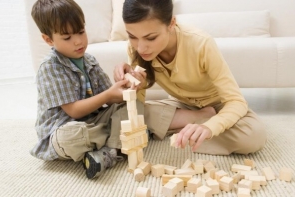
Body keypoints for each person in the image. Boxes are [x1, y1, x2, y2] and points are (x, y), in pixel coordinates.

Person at [114, 0, 267, 155]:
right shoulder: (135, 49)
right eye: (132, 36)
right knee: (121, 116)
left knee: (253, 137)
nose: (140, 47)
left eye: (151, 38)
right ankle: (193, 122)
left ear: (171, 23)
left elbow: (236, 102)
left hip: (218, 105)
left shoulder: (201, 43)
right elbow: (137, 107)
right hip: (183, 105)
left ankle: (186, 128)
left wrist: (210, 127)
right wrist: (132, 85)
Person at [30, 0, 139, 179]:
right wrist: (109, 95)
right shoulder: (50, 68)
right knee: (71, 136)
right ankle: (116, 144)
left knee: (132, 108)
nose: (78, 41)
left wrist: (126, 85)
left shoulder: (90, 61)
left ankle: (107, 151)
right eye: (67, 38)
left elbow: (110, 97)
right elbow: (74, 110)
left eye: (81, 32)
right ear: (48, 39)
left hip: (93, 121)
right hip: (64, 129)